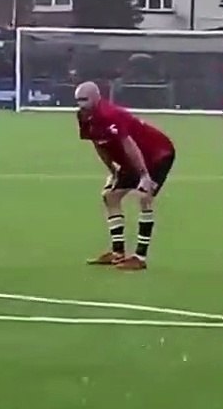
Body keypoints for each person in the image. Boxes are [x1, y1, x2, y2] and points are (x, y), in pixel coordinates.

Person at [75, 81, 175, 271]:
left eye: (84, 99)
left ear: (96, 98)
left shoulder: (110, 115)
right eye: (78, 100)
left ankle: (140, 257)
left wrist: (144, 175)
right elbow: (98, 143)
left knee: (144, 197)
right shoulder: (83, 116)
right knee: (110, 196)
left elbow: (130, 146)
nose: (81, 104)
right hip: (130, 160)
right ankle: (117, 252)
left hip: (157, 154)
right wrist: (113, 172)